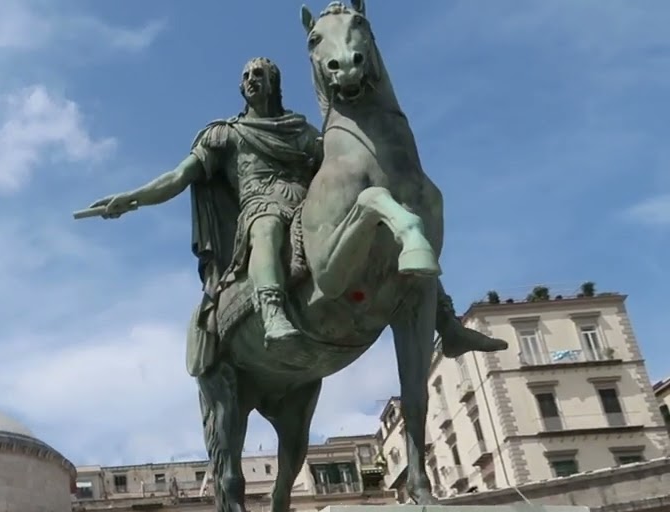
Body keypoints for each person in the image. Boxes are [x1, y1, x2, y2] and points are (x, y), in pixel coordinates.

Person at [88, 57, 505, 364]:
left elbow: (337, 162)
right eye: (247, 76)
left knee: (382, 232)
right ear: (241, 88)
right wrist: (131, 199)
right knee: (265, 230)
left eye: (261, 74)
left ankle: (445, 322)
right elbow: (178, 177)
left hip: (307, 205)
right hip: (260, 205)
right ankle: (272, 312)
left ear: (275, 82)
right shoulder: (225, 135)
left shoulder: (301, 131)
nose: (253, 80)